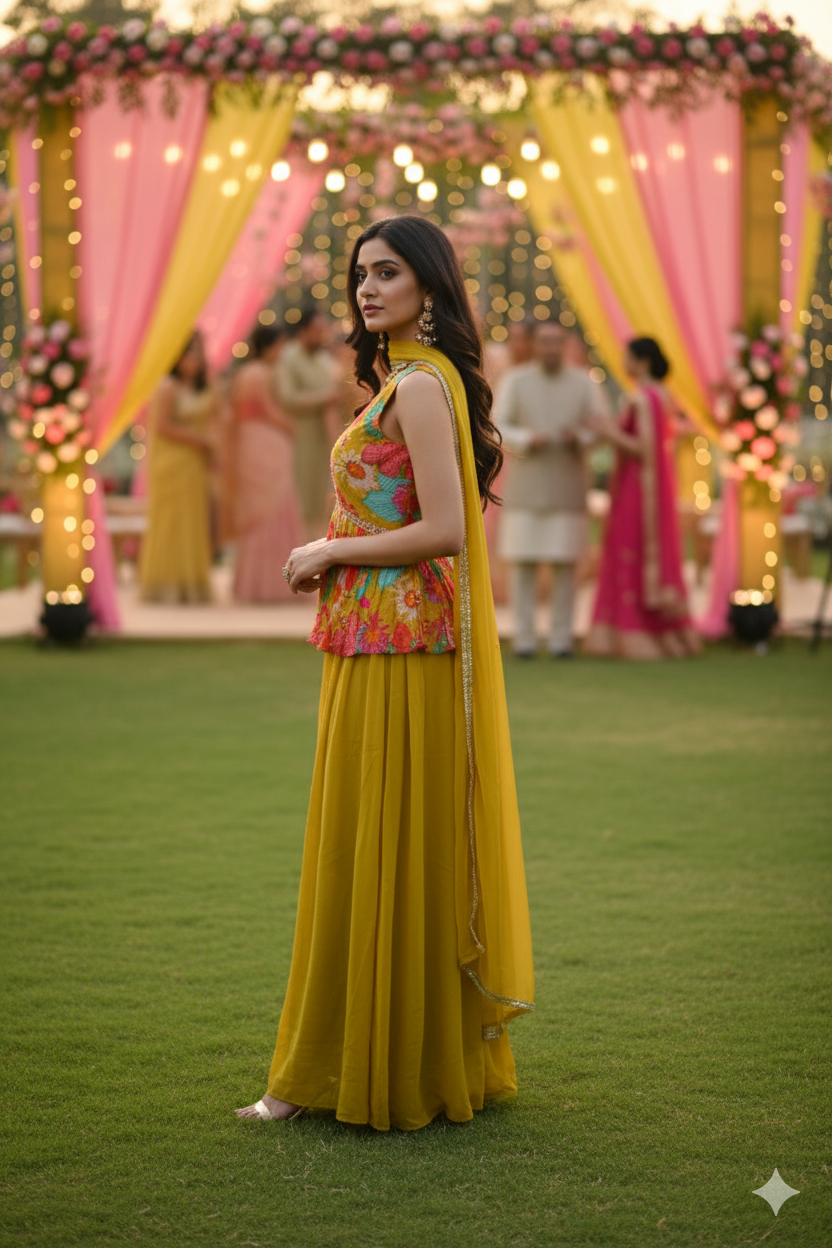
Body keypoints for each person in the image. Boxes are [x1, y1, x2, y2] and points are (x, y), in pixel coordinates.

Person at [235, 214, 535, 1132]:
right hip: (374, 641)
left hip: (402, 649)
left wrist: (330, 548)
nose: (368, 289)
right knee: (361, 845)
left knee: (376, 846)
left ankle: (345, 1069)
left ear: (429, 289)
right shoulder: (404, 381)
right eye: (361, 273)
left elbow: (447, 529)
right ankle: (351, 1058)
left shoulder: (420, 388)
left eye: (389, 273)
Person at [583, 337, 701, 659]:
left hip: (638, 489)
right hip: (649, 487)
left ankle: (633, 633)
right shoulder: (664, 396)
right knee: (642, 554)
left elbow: (644, 450)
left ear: (643, 361)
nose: (624, 362)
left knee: (629, 551)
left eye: (628, 356)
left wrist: (608, 431)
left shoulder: (645, 398)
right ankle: (663, 635)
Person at [494, 320, 604, 658]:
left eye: (557, 342)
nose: (551, 348)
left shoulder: (584, 383)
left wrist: (581, 438)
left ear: (564, 344)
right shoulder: (516, 380)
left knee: (565, 567)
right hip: (525, 488)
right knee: (523, 565)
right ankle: (525, 640)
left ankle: (561, 640)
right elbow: (496, 425)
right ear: (535, 344)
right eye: (544, 341)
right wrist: (527, 438)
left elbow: (601, 425)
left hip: (567, 486)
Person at [226, 324, 304, 602]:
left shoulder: (242, 373)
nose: (282, 352)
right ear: (269, 346)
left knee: (256, 512)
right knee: (276, 505)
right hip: (268, 441)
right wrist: (289, 427)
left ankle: (252, 584)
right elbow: (269, 410)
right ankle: (276, 584)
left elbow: (236, 413)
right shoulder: (263, 373)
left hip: (248, 440)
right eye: (280, 346)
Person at [140, 330, 217, 603]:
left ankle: (189, 586)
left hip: (192, 464)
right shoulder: (167, 386)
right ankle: (164, 587)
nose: (194, 360)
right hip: (172, 463)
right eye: (189, 353)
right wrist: (201, 441)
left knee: (192, 523)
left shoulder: (196, 387)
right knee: (171, 523)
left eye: (198, 354)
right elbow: (162, 426)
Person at [276, 309, 339, 542]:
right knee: (300, 500)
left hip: (324, 439)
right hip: (298, 439)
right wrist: (325, 397)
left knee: (321, 500)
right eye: (318, 330)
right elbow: (287, 398)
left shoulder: (324, 359)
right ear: (303, 331)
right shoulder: (288, 357)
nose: (322, 335)